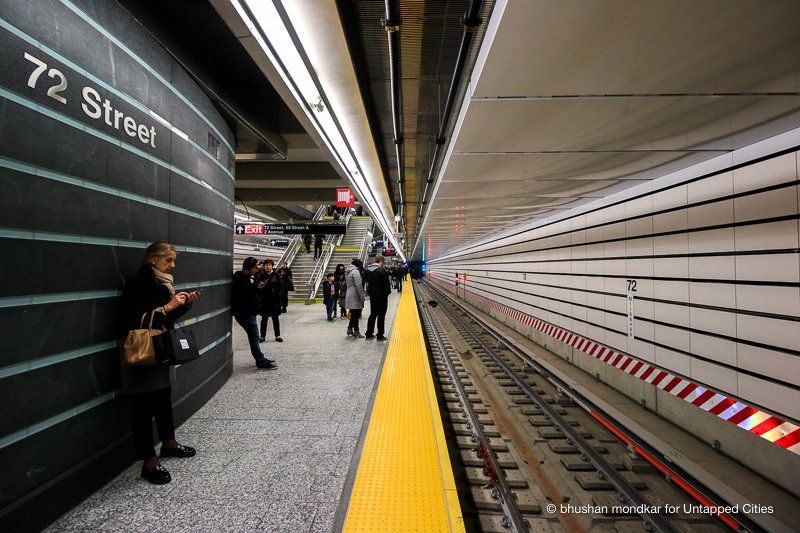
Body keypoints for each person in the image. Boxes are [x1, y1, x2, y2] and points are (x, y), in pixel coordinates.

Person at [121, 241, 200, 484]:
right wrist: (168, 306)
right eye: (169, 260)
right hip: (144, 353)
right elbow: (134, 319)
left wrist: (184, 304)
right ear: (153, 259)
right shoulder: (137, 283)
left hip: (162, 349)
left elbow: (165, 318)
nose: (172, 265)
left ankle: (169, 443)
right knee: (143, 409)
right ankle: (149, 461)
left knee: (164, 400)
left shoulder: (162, 282)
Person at [232, 257, 277, 370]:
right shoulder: (242, 279)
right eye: (255, 267)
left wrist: (258, 288)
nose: (257, 269)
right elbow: (248, 294)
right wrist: (257, 289)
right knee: (254, 337)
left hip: (246, 313)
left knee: (254, 337)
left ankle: (260, 359)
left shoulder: (242, 276)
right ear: (250, 268)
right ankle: (260, 361)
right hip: (245, 313)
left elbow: (251, 291)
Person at [364, 256, 392, 340]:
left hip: (373, 295)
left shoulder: (368, 270)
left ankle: (369, 333)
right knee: (381, 315)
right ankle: (380, 335)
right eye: (383, 262)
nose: (384, 264)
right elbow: (386, 285)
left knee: (373, 314)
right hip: (382, 296)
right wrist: (387, 294)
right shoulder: (381, 271)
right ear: (380, 261)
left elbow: (367, 281)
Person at [257, 259, 283, 343]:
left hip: (274, 300)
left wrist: (277, 292)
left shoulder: (276, 275)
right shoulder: (261, 275)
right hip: (265, 300)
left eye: (269, 265)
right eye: (266, 265)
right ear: (264, 266)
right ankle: (262, 336)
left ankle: (277, 335)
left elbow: (281, 286)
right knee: (264, 319)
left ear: (272, 266)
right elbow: (257, 287)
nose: (268, 266)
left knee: (275, 319)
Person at [345, 258, 366, 337]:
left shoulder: (348, 271)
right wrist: (362, 296)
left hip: (349, 292)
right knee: (356, 313)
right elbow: (358, 285)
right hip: (355, 294)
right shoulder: (356, 272)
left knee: (354, 313)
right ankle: (356, 331)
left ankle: (350, 328)